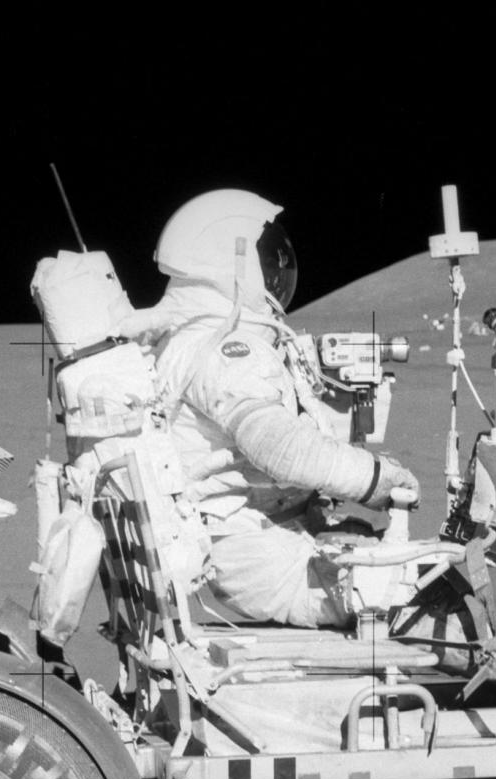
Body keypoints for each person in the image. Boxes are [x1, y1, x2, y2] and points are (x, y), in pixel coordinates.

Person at [111, 189, 418, 628]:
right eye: (267, 262)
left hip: (254, 535)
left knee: (373, 547)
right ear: (230, 264)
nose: (277, 275)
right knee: (405, 592)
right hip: (254, 553)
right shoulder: (226, 350)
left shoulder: (191, 335)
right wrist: (375, 479)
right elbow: (278, 448)